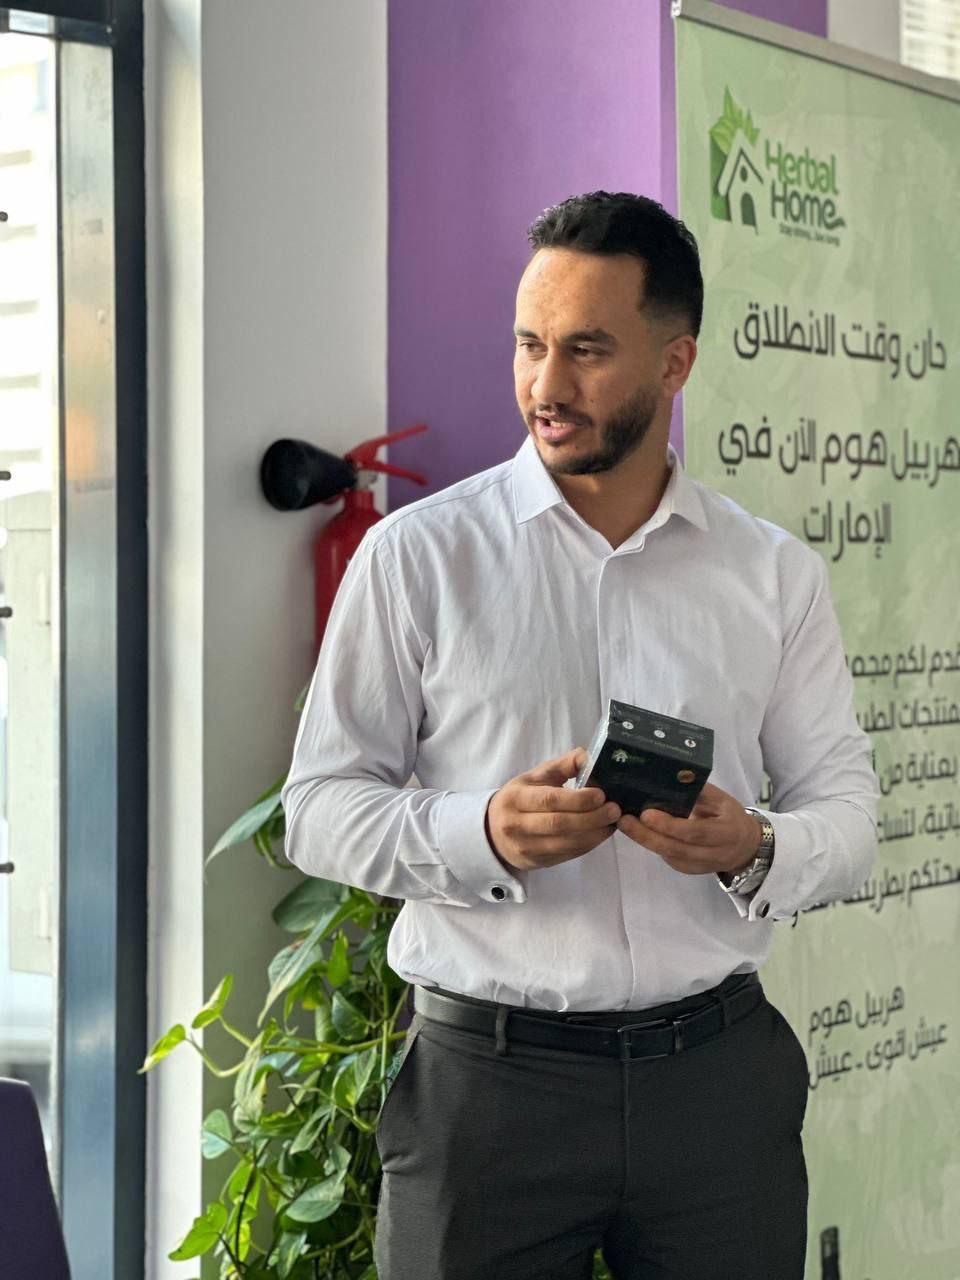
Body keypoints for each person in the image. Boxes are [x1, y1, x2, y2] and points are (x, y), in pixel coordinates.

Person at [281, 191, 878, 1280]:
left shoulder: (773, 574)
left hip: (715, 1084)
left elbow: (847, 814)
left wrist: (754, 844)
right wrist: (482, 831)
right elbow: (318, 808)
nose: (545, 386)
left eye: (587, 351)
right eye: (530, 344)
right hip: (488, 1093)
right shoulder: (418, 558)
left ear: (675, 362)